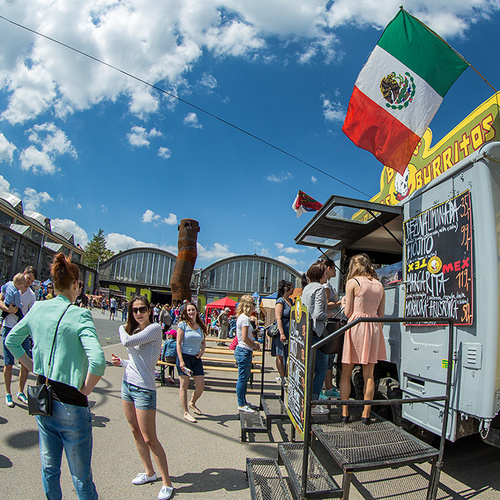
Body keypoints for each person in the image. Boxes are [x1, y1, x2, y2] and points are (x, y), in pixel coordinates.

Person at [5, 254, 105, 499]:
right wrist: (85, 389)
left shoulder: (38, 307)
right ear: (75, 285)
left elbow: (11, 341)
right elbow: (99, 361)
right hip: (71, 401)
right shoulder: (80, 315)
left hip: (43, 397)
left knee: (50, 469)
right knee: (81, 478)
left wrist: (31, 366)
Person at [111, 295, 174, 500]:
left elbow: (126, 340)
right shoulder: (138, 329)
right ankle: (149, 472)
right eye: (135, 310)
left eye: (142, 309)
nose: (138, 313)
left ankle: (167, 483)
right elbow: (138, 361)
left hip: (144, 389)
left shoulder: (154, 329)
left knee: (150, 438)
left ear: (150, 310)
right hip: (127, 384)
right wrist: (121, 362)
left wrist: (122, 327)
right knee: (135, 430)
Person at [340, 254, 386, 424]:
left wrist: (344, 303)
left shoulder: (353, 282)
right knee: (369, 375)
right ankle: (366, 414)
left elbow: (348, 312)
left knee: (346, 372)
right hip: (374, 327)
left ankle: (345, 412)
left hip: (356, 326)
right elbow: (381, 315)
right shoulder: (380, 285)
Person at [1, 266, 37, 407]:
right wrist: (6, 309)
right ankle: (8, 393)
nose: (29, 282)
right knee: (8, 363)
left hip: (23, 332)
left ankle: (20, 391)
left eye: (32, 281)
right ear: (23, 275)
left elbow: (32, 315)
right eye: (28, 279)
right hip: (9, 327)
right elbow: (0, 300)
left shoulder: (31, 295)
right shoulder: (11, 286)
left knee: (25, 363)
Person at [301, 261, 330, 414]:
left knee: (309, 368)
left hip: (306, 332)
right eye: (325, 273)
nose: (327, 276)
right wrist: (330, 315)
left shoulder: (306, 288)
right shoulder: (319, 288)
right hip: (317, 333)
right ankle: (313, 401)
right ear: (320, 275)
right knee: (321, 369)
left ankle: (307, 400)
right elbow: (318, 314)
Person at [176, 302, 207, 423]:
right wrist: (181, 361)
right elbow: (178, 344)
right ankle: (185, 412)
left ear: (196, 311)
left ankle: (192, 402)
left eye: (192, 310)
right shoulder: (182, 325)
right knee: (184, 386)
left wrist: (202, 351)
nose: (190, 312)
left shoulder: (200, 325)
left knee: (200, 386)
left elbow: (203, 342)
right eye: (188, 310)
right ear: (185, 312)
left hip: (196, 358)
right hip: (184, 357)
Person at [234, 295, 261, 413]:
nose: (254, 307)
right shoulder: (244, 319)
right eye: (253, 304)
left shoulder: (242, 317)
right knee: (243, 378)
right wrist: (254, 344)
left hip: (243, 350)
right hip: (244, 350)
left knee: (244, 378)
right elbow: (245, 337)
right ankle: (241, 403)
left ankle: (243, 401)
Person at [320, 257, 342, 398]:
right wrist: (341, 302)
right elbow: (326, 304)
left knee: (328, 359)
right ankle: (326, 388)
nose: (335, 271)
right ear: (329, 268)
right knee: (327, 359)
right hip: (330, 324)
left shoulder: (328, 285)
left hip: (331, 323)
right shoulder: (326, 287)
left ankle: (328, 387)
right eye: (334, 268)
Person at [272, 280, 293, 384]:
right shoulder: (280, 301)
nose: (293, 289)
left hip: (290, 331)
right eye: (291, 287)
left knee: (288, 354)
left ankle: (287, 375)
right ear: (286, 288)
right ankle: (282, 376)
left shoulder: (291, 301)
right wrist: (282, 333)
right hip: (282, 330)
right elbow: (278, 318)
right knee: (280, 354)